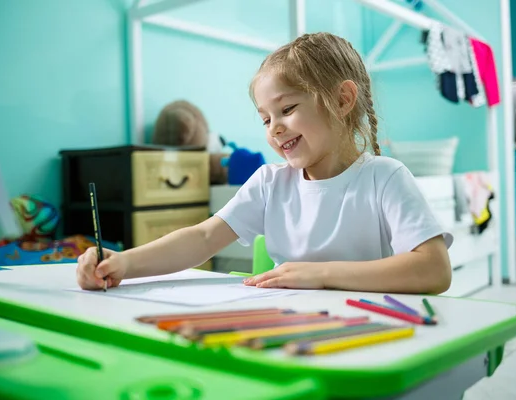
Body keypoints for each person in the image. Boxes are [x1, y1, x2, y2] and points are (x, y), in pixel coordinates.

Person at [76, 32, 453, 294]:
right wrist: (124, 262)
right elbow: (203, 238)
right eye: (265, 119)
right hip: (287, 326)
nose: (275, 129)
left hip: (364, 328)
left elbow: (434, 270)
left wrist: (319, 275)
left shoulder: (384, 178)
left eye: (287, 109)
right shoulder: (271, 182)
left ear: (342, 100)